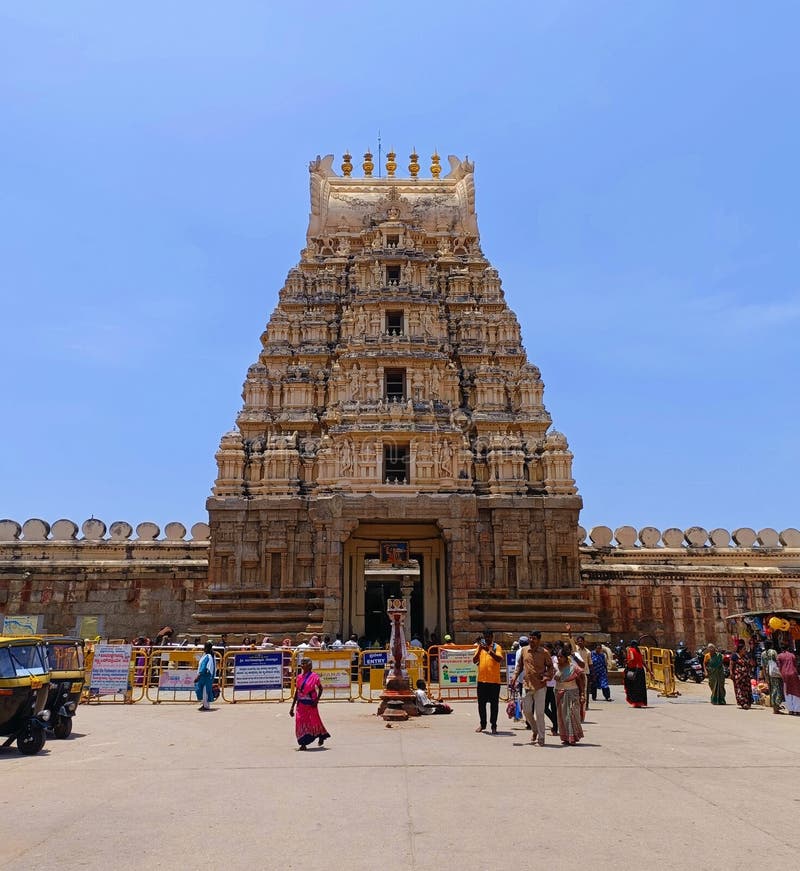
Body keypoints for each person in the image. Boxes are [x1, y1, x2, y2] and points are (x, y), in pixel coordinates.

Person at [511, 630, 554, 746]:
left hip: (540, 686)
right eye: (530, 638)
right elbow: (519, 666)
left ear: (539, 640)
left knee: (539, 713)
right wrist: (514, 677)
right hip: (527, 685)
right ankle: (534, 729)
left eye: (534, 638)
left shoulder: (544, 652)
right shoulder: (524, 651)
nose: (531, 640)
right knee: (527, 711)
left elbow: (551, 667)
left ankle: (541, 737)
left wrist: (547, 677)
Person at [289, 657, 330, 749]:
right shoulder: (299, 677)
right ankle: (303, 743)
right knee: (299, 722)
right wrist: (292, 707)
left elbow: (320, 688)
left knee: (314, 721)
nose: (302, 666)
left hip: (311, 703)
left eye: (304, 664)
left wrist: (317, 700)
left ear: (309, 666)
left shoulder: (314, 676)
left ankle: (321, 735)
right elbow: (297, 692)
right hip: (300, 704)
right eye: (301, 664)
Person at [473, 630, 503, 734]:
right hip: (482, 680)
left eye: (488, 637)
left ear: (492, 637)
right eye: (485, 637)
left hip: (494, 681)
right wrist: (481, 648)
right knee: (481, 704)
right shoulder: (480, 647)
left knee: (494, 705)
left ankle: (493, 725)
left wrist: (488, 650)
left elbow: (499, 659)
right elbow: (474, 660)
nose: (487, 639)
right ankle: (483, 724)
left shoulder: (496, 647)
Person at [555, 650, 584, 745]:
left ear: (565, 657)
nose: (559, 658)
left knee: (571, 715)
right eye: (557, 656)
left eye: (561, 656)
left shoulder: (573, 667)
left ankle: (573, 737)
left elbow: (581, 678)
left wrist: (582, 693)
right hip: (559, 693)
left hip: (572, 693)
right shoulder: (555, 666)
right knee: (562, 716)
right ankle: (566, 737)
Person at [624, 640, 648, 708]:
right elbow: (643, 662)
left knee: (632, 686)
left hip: (634, 670)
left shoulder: (630, 650)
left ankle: (635, 702)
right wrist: (649, 670)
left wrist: (627, 662)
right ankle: (640, 702)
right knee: (640, 687)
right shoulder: (638, 651)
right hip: (641, 671)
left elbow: (632, 658)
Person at [761, 644, 784, 714]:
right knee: (777, 689)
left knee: (771, 689)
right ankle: (776, 706)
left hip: (768, 673)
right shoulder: (773, 652)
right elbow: (777, 662)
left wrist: (765, 676)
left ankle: (774, 706)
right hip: (775, 673)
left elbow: (763, 666)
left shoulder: (763, 654)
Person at [777, 645, 800, 715]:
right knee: (796, 691)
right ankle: (797, 710)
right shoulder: (792, 655)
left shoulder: (779, 656)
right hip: (793, 673)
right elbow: (795, 664)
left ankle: (790, 710)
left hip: (785, 675)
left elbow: (779, 666)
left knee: (787, 692)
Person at [729, 639, 752, 709]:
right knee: (740, 689)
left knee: (747, 689)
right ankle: (743, 703)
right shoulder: (735, 656)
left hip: (746, 676)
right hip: (739, 676)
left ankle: (747, 702)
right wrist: (731, 673)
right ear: (740, 649)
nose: (745, 650)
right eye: (744, 649)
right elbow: (731, 665)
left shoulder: (746, 656)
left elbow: (749, 664)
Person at [574, 635, 594, 711]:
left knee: (585, 689)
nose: (580, 642)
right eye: (578, 641)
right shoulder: (575, 650)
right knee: (577, 689)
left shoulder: (588, 652)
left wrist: (592, 674)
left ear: (584, 642)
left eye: (581, 641)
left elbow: (590, 663)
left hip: (586, 672)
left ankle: (586, 704)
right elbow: (571, 641)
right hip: (576, 673)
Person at [194, 641, 216, 711]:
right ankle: (205, 704)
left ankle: (206, 706)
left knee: (204, 691)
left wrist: (198, 676)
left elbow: (204, 667)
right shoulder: (210, 655)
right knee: (205, 691)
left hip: (205, 677)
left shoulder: (207, 656)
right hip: (207, 677)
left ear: (206, 648)